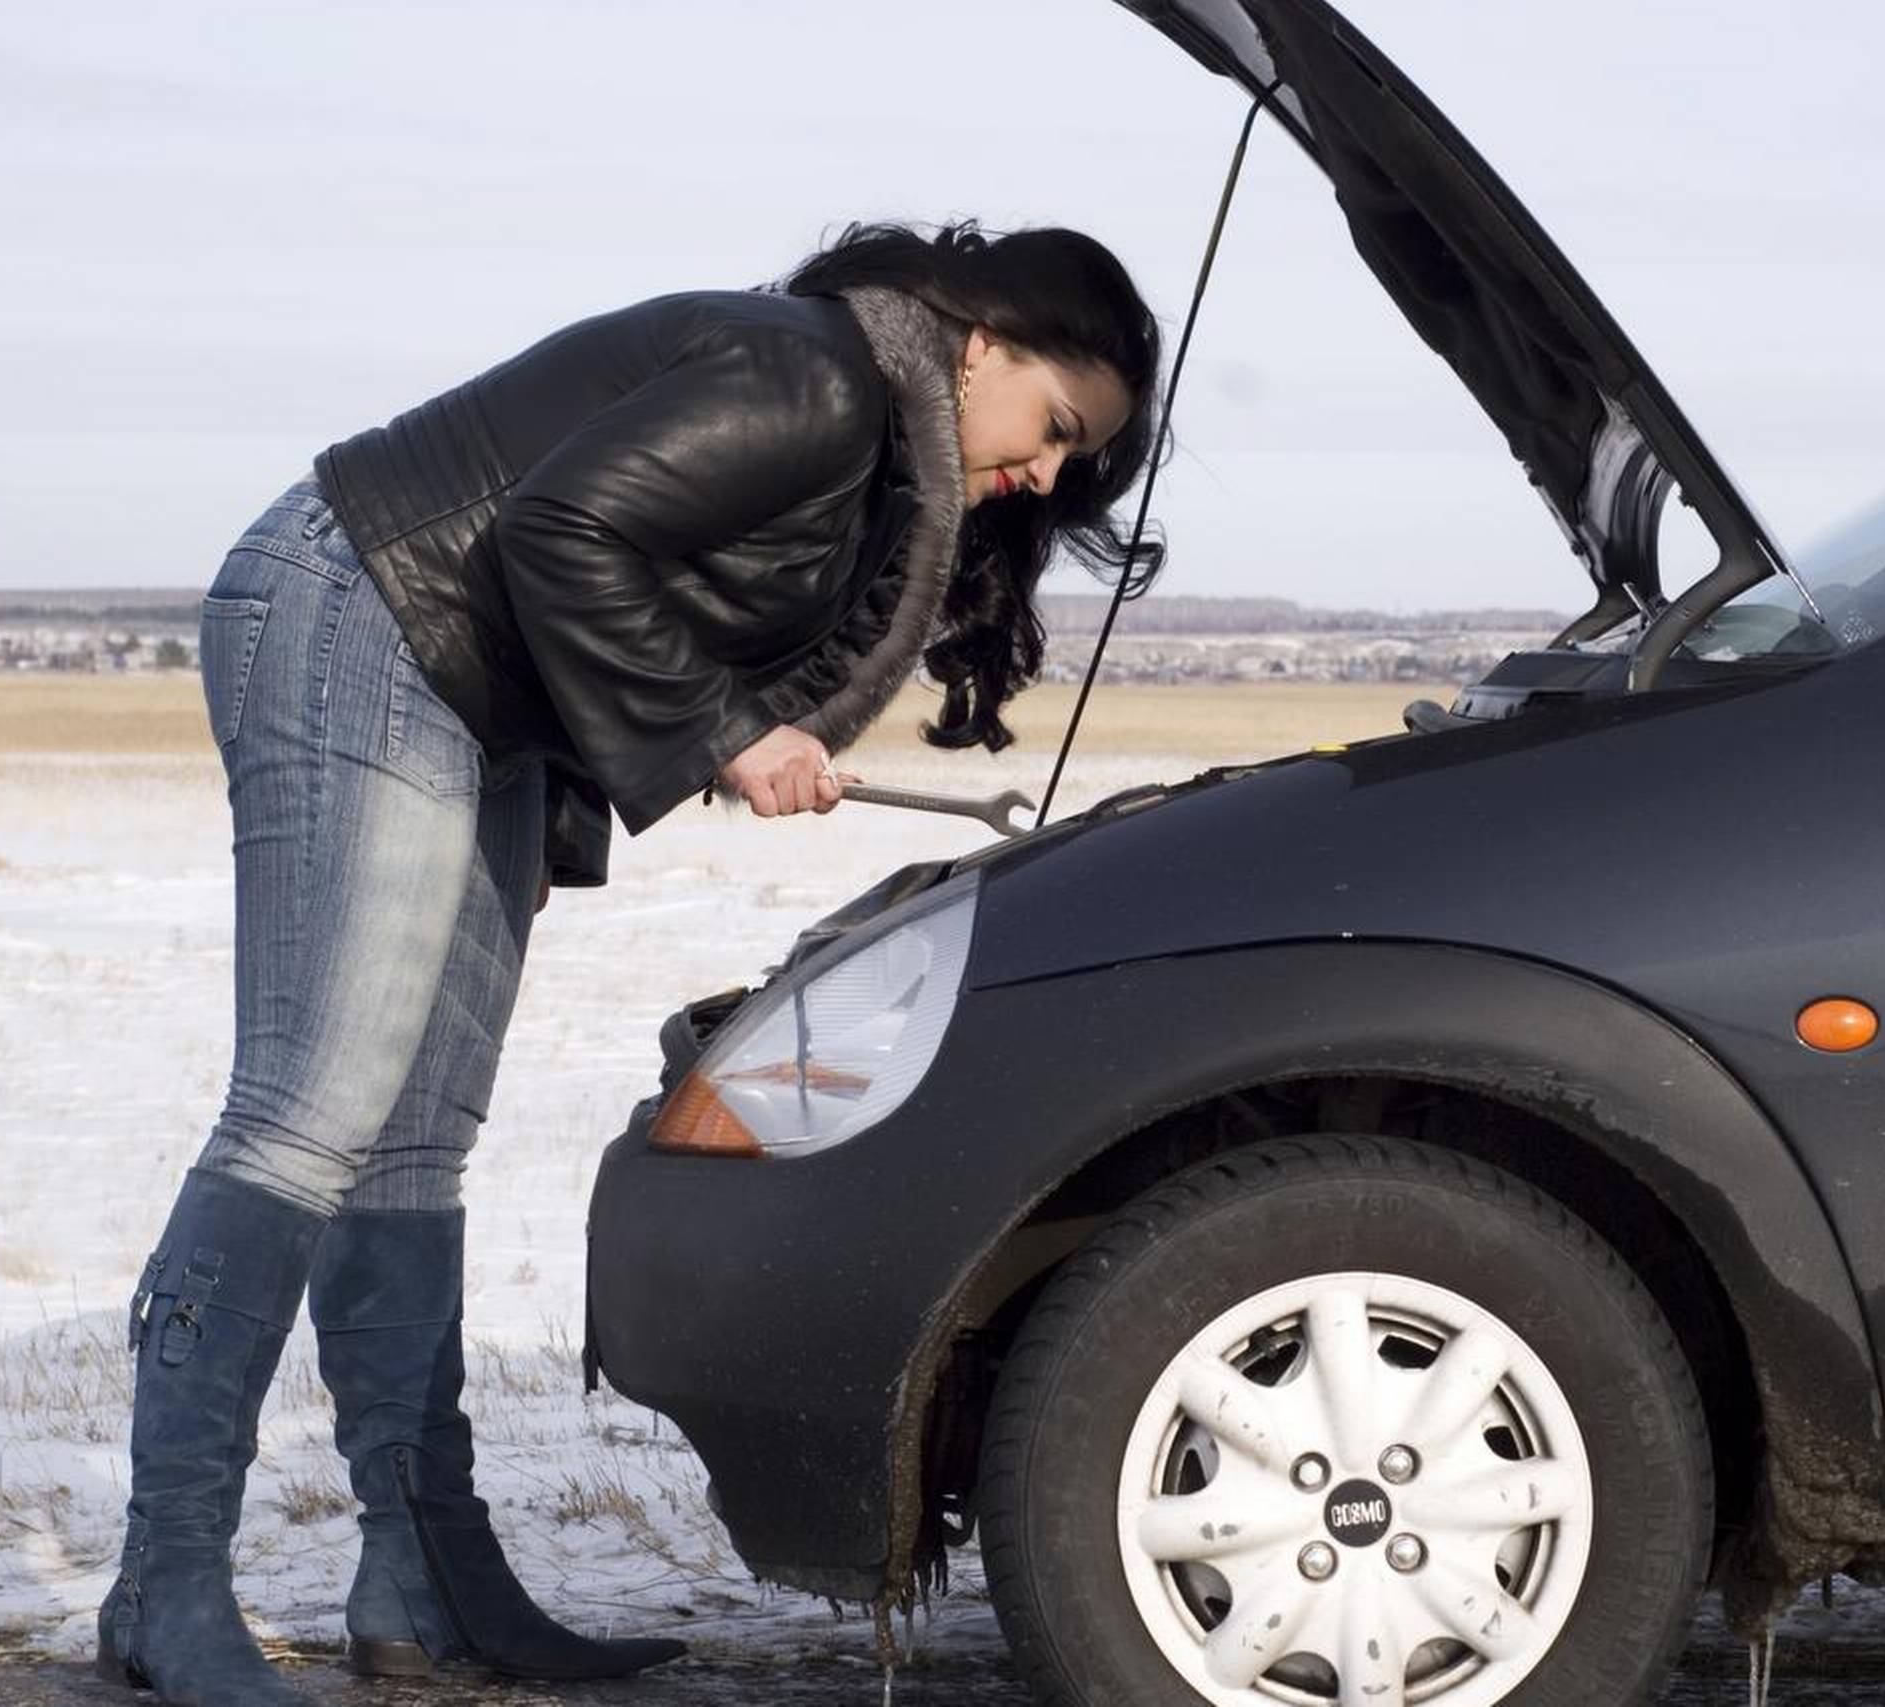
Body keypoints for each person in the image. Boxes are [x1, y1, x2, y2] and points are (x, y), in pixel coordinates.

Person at [94, 223, 1163, 1704]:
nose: (1047, 475)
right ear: (980, 342)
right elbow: (563, 533)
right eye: (1055, 429)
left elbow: (626, 584)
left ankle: (424, 1581)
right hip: (366, 615)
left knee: (415, 1147)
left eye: (1077, 464)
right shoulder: (819, 383)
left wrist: (655, 754)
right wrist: (723, 730)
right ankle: (163, 1580)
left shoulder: (873, 464)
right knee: (311, 1115)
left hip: (478, 688)